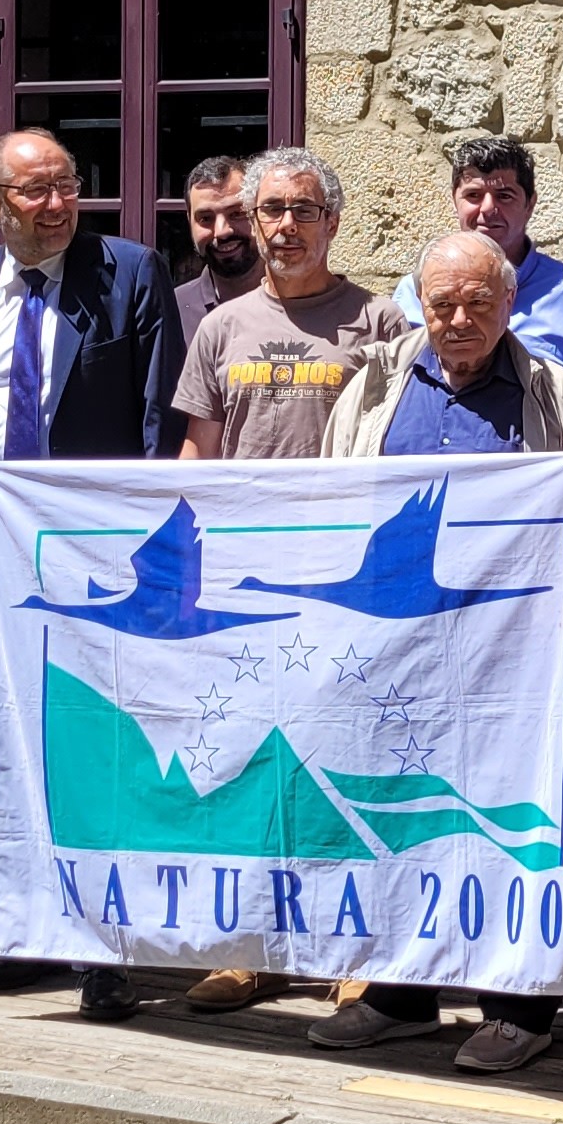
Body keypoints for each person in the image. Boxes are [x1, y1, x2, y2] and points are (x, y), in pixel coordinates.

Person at [0, 128, 190, 1011]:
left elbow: (157, 422)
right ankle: (27, 929)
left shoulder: (129, 273)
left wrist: (148, 558)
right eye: (35, 191)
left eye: (67, 186)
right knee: (7, 741)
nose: (57, 205)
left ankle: (108, 949)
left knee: (97, 744)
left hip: (97, 561)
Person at [301, 230, 563, 1073]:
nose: (460, 319)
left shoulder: (555, 394)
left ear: (509, 303)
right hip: (397, 654)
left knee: (512, 818)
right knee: (404, 810)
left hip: (517, 658)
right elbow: (328, 503)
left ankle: (521, 1007)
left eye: (478, 302)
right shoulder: (375, 385)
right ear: (420, 306)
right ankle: (401, 993)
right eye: (443, 304)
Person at [168, 144, 409, 1013]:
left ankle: (362, 951)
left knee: (349, 759)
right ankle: (255, 947)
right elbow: (198, 452)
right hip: (245, 586)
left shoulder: (380, 322)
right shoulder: (220, 328)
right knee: (254, 764)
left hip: (344, 584)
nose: (284, 227)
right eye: (271, 210)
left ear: (332, 223)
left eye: (304, 211)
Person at [396, 137, 563, 377]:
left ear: (530, 204)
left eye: (504, 195)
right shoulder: (414, 292)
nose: (488, 208)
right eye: (473, 195)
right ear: (455, 201)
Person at [171, 154, 259, 360]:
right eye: (205, 218)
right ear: (189, 221)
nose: (222, 231)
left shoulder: (298, 303)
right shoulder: (172, 311)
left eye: (236, 213)